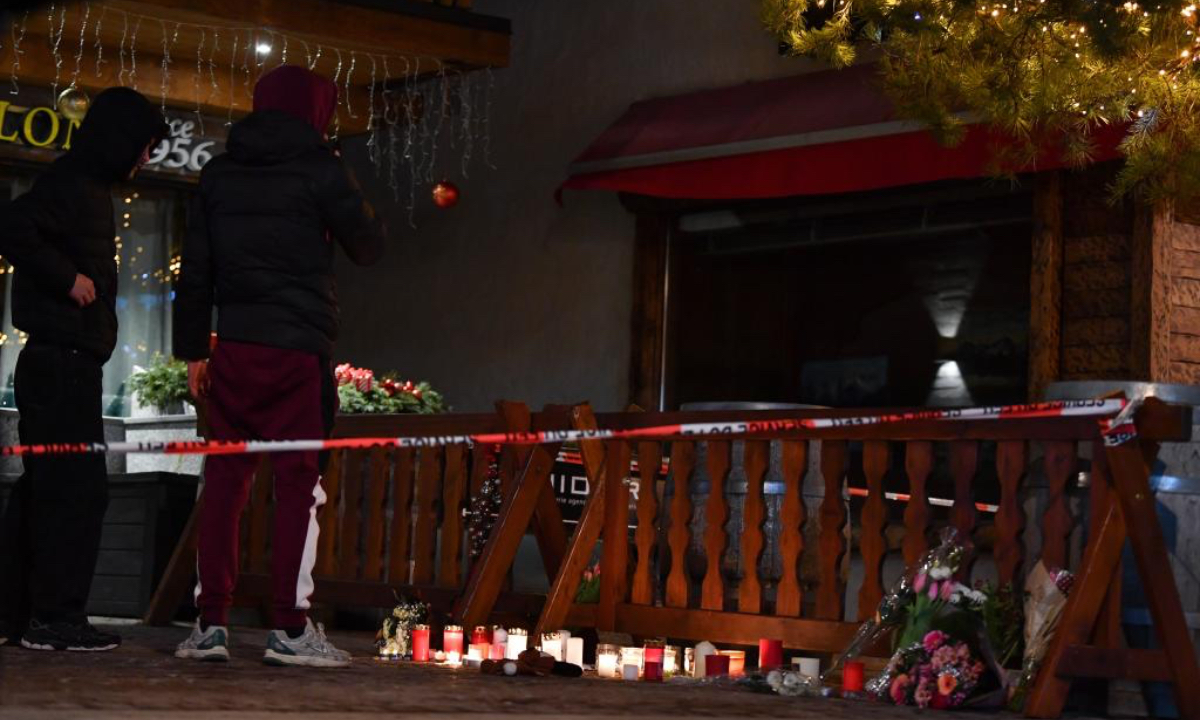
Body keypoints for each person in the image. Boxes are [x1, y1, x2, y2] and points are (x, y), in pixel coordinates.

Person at [172, 65, 385, 667]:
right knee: (298, 487)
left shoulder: (217, 173)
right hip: (298, 352)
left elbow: (194, 271)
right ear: (316, 111)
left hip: (234, 347)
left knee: (223, 487)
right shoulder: (321, 167)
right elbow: (368, 247)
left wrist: (194, 352)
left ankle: (209, 624)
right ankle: (290, 630)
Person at [0, 87, 167, 651]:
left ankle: (17, 616)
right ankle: (55, 619)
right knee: (77, 492)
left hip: (58, 361)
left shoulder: (83, 185)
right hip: (62, 362)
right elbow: (12, 226)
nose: (146, 159)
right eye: (144, 146)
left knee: (45, 489)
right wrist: (66, 277)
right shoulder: (74, 184)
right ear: (122, 140)